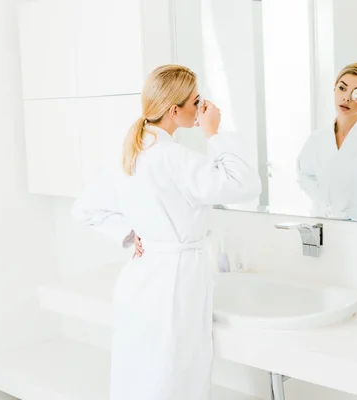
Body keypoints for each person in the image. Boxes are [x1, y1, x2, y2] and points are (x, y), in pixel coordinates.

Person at [71, 64, 260, 400]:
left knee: (141, 379)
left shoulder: (132, 153)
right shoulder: (174, 158)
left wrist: (130, 235)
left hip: (140, 282)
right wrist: (214, 133)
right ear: (176, 110)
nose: (201, 107)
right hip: (174, 285)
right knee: (172, 381)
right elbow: (244, 186)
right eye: (196, 101)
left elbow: (83, 209)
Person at [296, 62, 357, 222]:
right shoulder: (318, 138)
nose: (346, 98)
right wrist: (326, 201)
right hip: (327, 224)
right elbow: (304, 175)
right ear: (334, 88)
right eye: (342, 88)